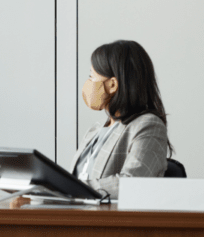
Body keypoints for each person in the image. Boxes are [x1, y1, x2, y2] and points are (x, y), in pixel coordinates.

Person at [72, 40, 171, 199]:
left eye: (92, 76)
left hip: (106, 221)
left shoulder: (148, 126)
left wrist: (70, 187)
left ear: (112, 85)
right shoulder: (94, 132)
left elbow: (133, 183)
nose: (88, 84)